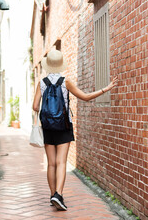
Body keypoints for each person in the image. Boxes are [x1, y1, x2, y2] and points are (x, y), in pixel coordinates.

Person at [32, 49, 118, 211]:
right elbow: (84, 97)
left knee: (51, 163)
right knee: (61, 162)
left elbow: (35, 106)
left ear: (48, 65)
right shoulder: (66, 82)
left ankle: (52, 196)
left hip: (48, 127)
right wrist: (105, 89)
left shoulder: (42, 83)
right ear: (60, 65)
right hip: (64, 126)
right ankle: (58, 194)